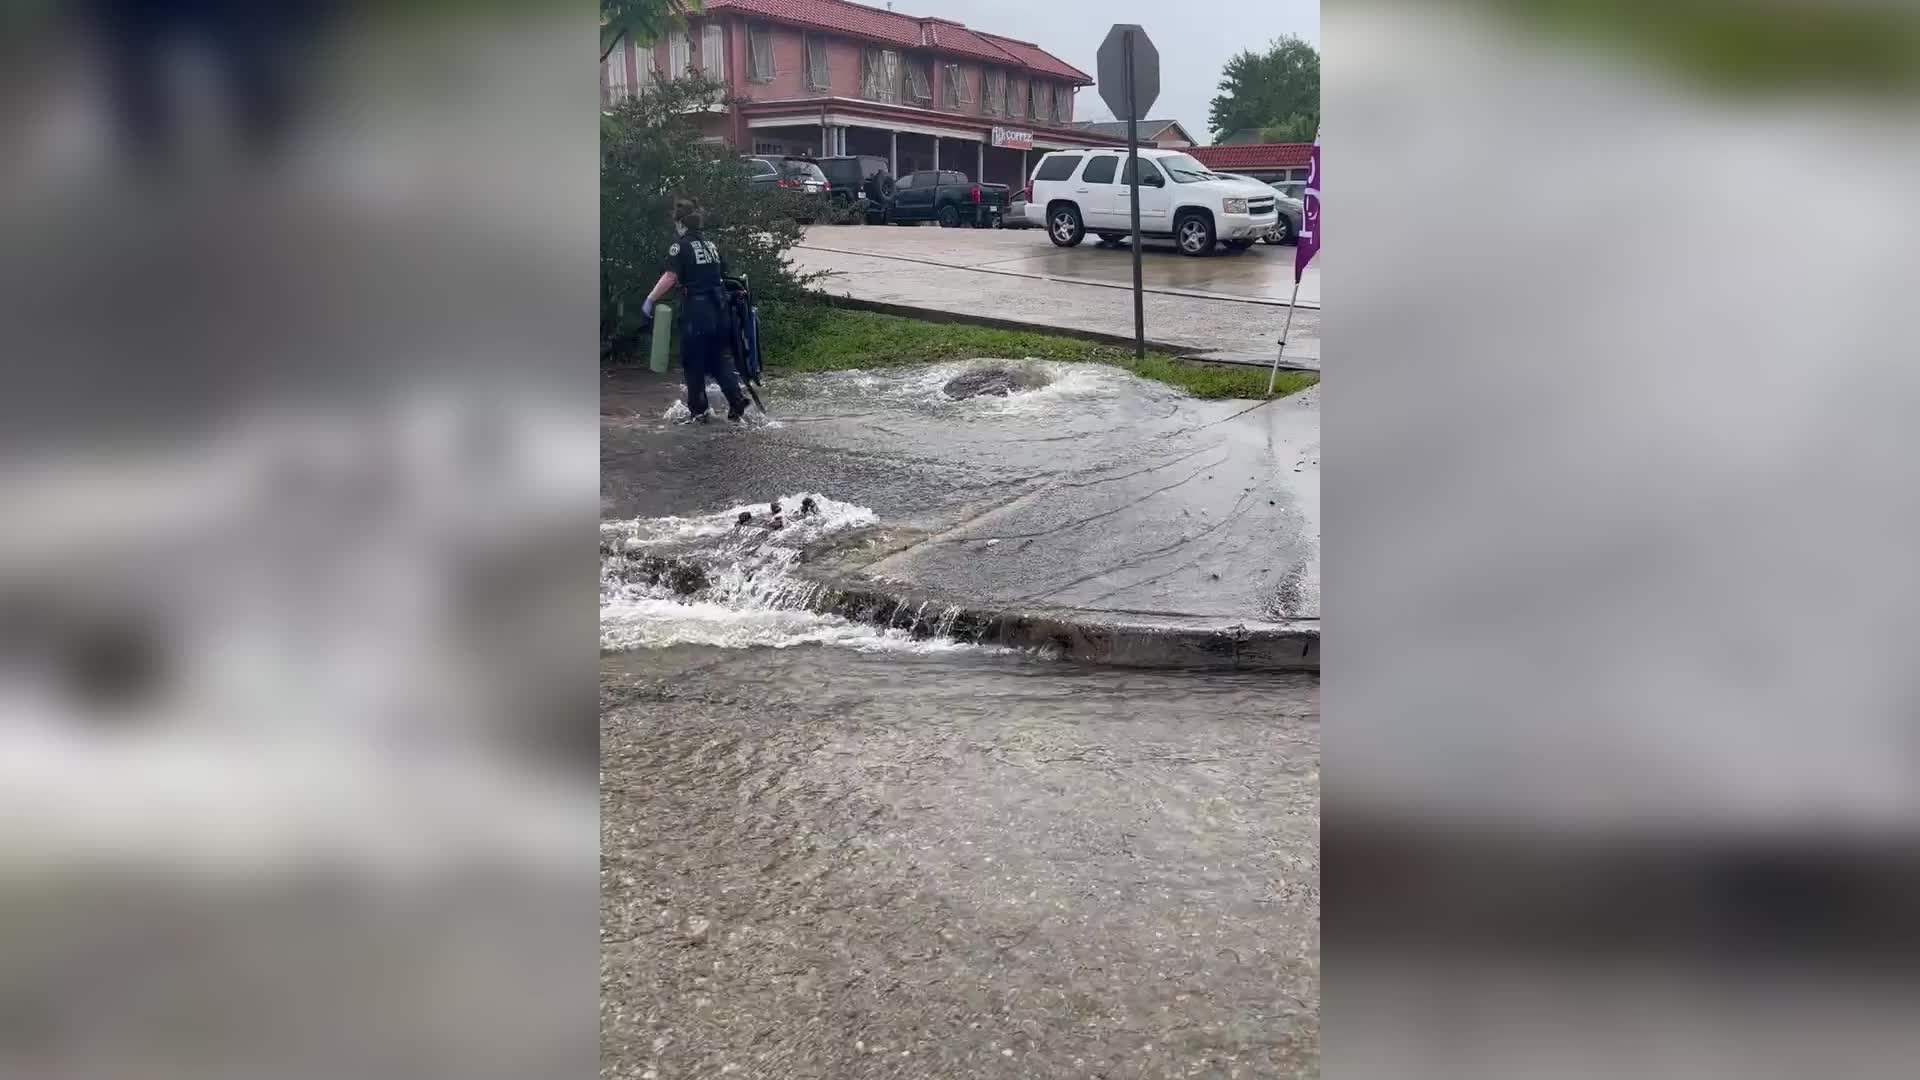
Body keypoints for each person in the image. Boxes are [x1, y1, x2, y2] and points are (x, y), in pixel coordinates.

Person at [642, 198, 751, 422]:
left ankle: (698, 412)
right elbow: (724, 273)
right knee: (718, 358)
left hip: (698, 312)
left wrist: (650, 299)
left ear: (680, 224)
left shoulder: (679, 246)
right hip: (720, 311)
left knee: (693, 361)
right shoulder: (710, 245)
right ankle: (737, 401)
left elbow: (671, 276)